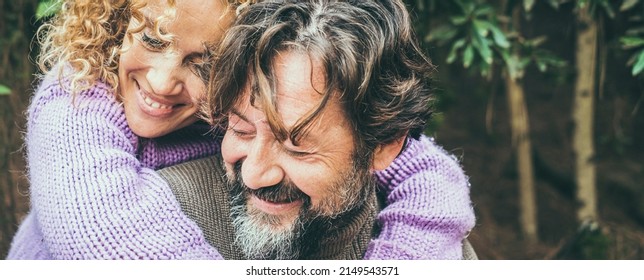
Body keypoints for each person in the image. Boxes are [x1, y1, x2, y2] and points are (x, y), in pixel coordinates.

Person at [6, 0, 475, 259]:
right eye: (151, 39)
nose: (163, 80)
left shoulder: (242, 101)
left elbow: (424, 169)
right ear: (113, 20)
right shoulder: (79, 100)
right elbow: (99, 232)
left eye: (205, 63)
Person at [158, 0, 476, 259]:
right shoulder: (162, 212)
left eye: (297, 147)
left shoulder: (441, 254)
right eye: (241, 129)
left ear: (383, 146)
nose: (253, 174)